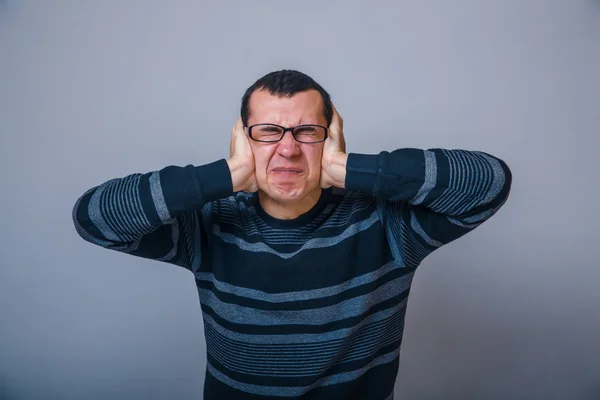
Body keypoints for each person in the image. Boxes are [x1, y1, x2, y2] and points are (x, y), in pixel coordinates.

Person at [72, 69, 512, 400]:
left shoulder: (388, 224)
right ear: (242, 140)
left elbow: (489, 182)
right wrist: (229, 174)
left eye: (306, 131)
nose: (287, 148)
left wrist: (344, 169)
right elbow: (94, 218)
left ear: (332, 137)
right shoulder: (207, 222)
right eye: (268, 132)